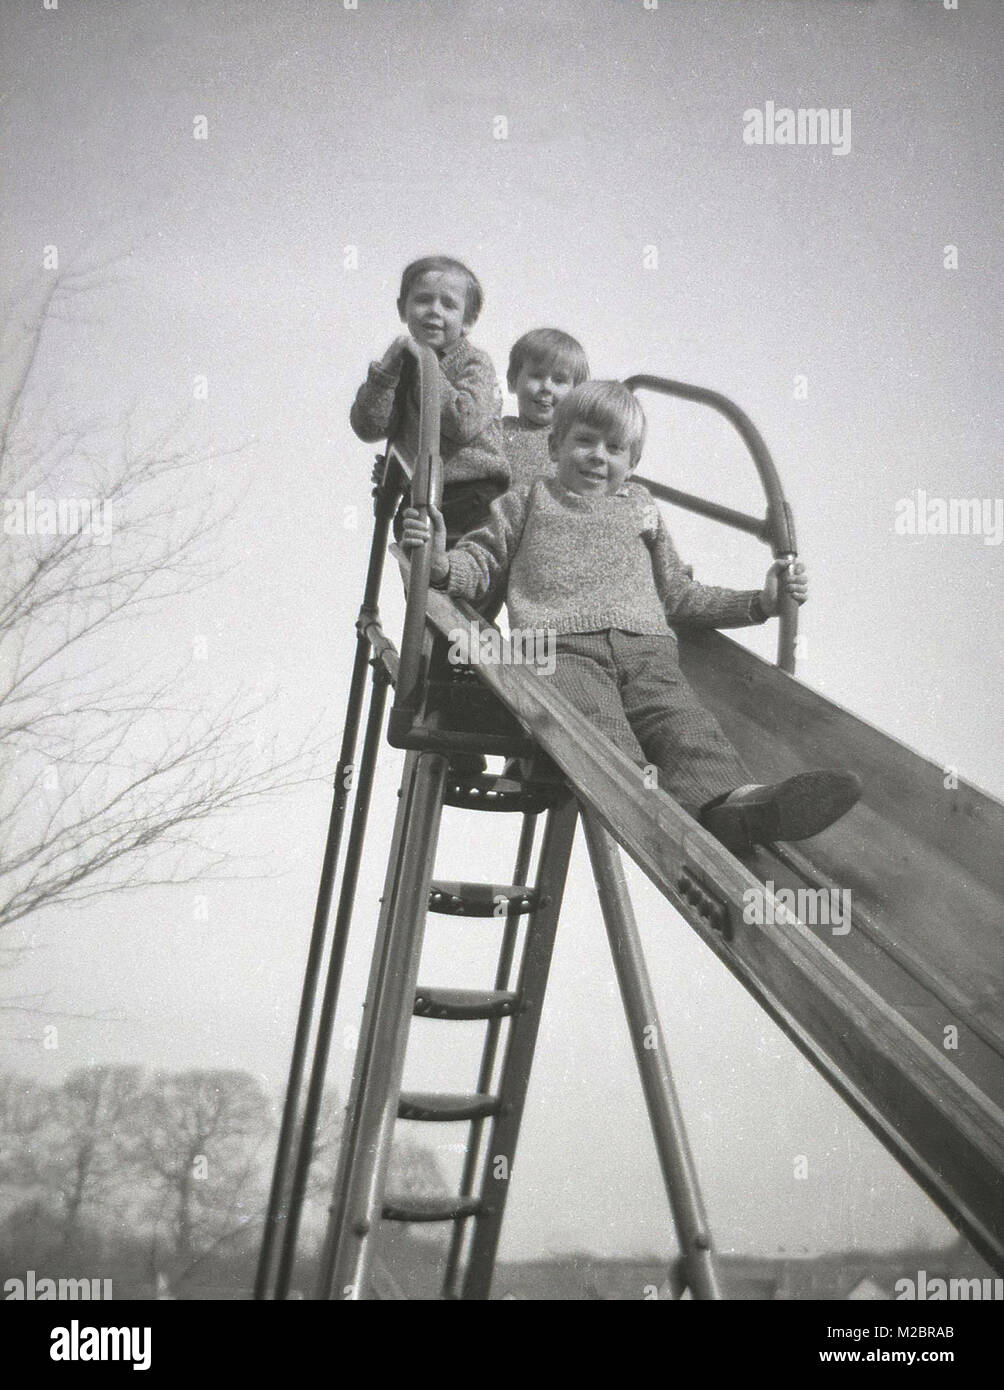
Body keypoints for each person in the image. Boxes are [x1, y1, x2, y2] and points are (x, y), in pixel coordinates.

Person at [401, 380, 860, 852]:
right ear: (555, 446)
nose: (599, 456)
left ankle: (734, 804)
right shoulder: (525, 501)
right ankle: (652, 809)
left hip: (647, 649)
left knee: (683, 724)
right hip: (558, 648)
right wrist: (441, 564)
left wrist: (758, 603)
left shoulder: (642, 508)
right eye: (584, 441)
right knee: (595, 719)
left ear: (633, 461)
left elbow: (678, 594)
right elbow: (482, 562)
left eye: (615, 447)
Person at [349, 254, 509, 545]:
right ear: (403, 308)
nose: (434, 311)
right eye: (423, 300)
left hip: (472, 496)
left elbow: (463, 422)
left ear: (468, 320)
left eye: (448, 304)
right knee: (416, 571)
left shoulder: (475, 363)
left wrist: (426, 365)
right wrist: (385, 374)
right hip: (419, 495)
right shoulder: (399, 365)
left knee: (454, 576)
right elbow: (369, 427)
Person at [502, 328, 590, 489]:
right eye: (536, 375)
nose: (547, 387)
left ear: (575, 393)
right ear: (513, 380)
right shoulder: (496, 431)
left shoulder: (575, 443)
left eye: (559, 380)